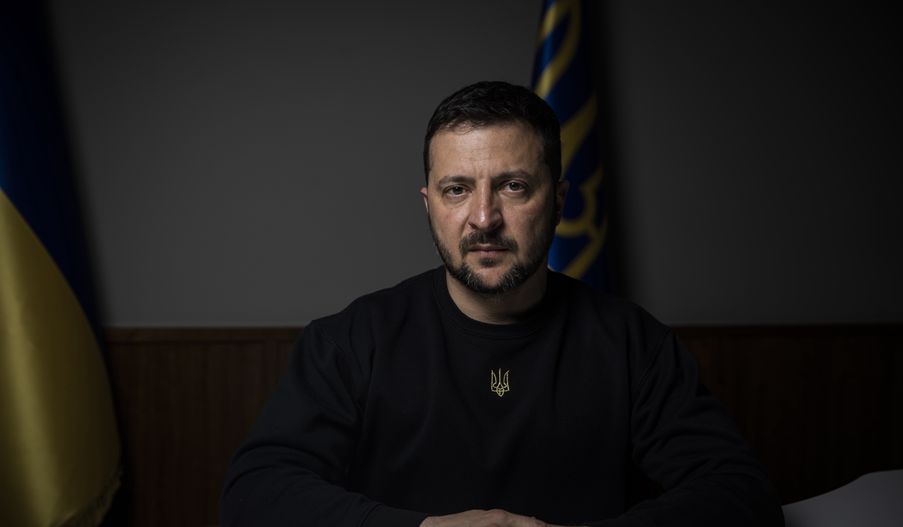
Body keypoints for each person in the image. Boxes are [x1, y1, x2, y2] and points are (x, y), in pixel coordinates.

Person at [220, 81, 783, 527]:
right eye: (457, 188)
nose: (483, 218)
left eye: (513, 186)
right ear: (429, 203)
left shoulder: (634, 345)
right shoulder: (348, 341)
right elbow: (256, 494)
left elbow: (741, 495)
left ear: (558, 199)